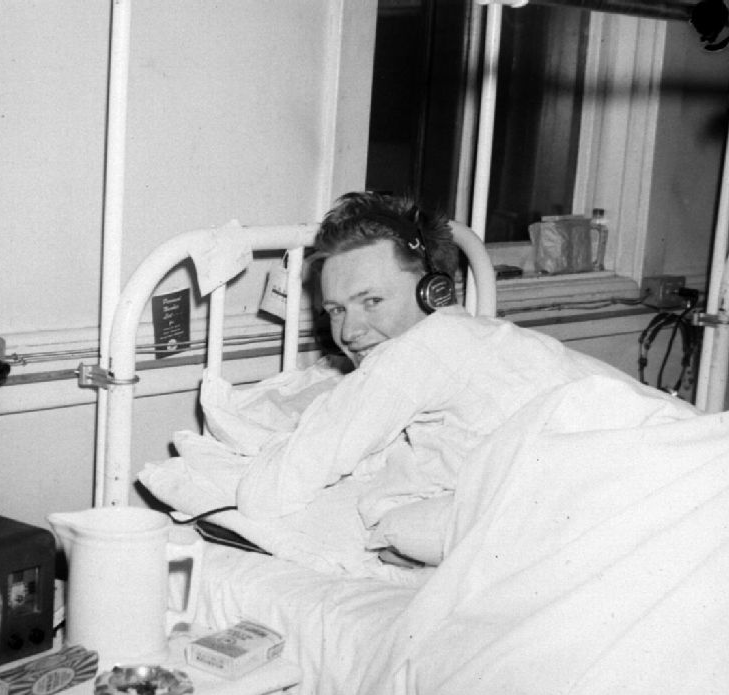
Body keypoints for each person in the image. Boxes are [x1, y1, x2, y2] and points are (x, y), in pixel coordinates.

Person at [234, 190, 693, 538]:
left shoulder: (414, 355)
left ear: (433, 292)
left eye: (371, 301)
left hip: (665, 481)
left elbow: (265, 495)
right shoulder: (481, 341)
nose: (349, 331)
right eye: (336, 310)